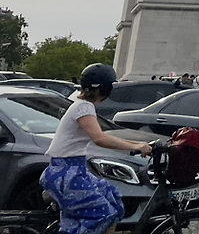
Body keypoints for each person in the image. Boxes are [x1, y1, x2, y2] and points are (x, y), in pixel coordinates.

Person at [41, 64, 153, 234]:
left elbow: (105, 136)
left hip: (72, 171)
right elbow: (99, 138)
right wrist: (134, 146)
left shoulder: (81, 105)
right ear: (105, 89)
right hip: (66, 174)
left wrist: (139, 144)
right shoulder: (84, 107)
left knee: (114, 202)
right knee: (103, 214)